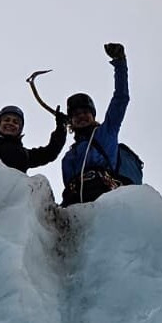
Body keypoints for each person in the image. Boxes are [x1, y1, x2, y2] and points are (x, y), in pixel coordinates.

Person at [61, 43, 129, 206]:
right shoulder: (69, 157)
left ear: (93, 115)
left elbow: (121, 99)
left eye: (85, 112)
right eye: (76, 115)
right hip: (77, 200)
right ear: (71, 122)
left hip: (105, 194)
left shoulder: (107, 131)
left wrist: (120, 63)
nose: (81, 117)